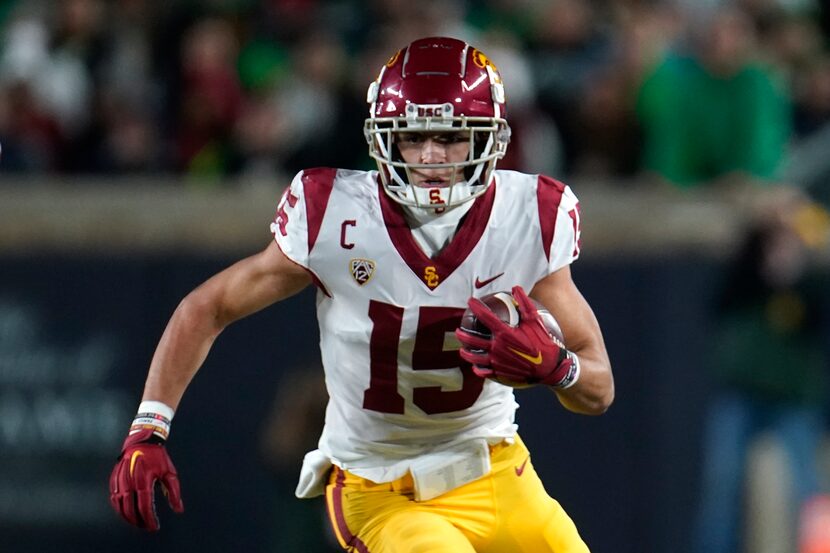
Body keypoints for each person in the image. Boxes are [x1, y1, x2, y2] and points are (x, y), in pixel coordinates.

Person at [108, 36, 615, 552]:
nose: (431, 156)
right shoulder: (334, 212)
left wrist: (557, 367)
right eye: (413, 138)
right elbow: (209, 306)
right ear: (384, 141)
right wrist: (149, 426)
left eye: (450, 135)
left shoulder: (528, 216)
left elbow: (599, 388)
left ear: (490, 138)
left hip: (495, 471)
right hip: (379, 486)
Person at [693, 193, 830, 553]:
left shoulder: (813, 278)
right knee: (723, 488)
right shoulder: (747, 272)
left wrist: (793, 278)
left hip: (793, 397)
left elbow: (816, 324)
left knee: (809, 487)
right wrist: (761, 257)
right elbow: (719, 303)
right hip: (743, 392)